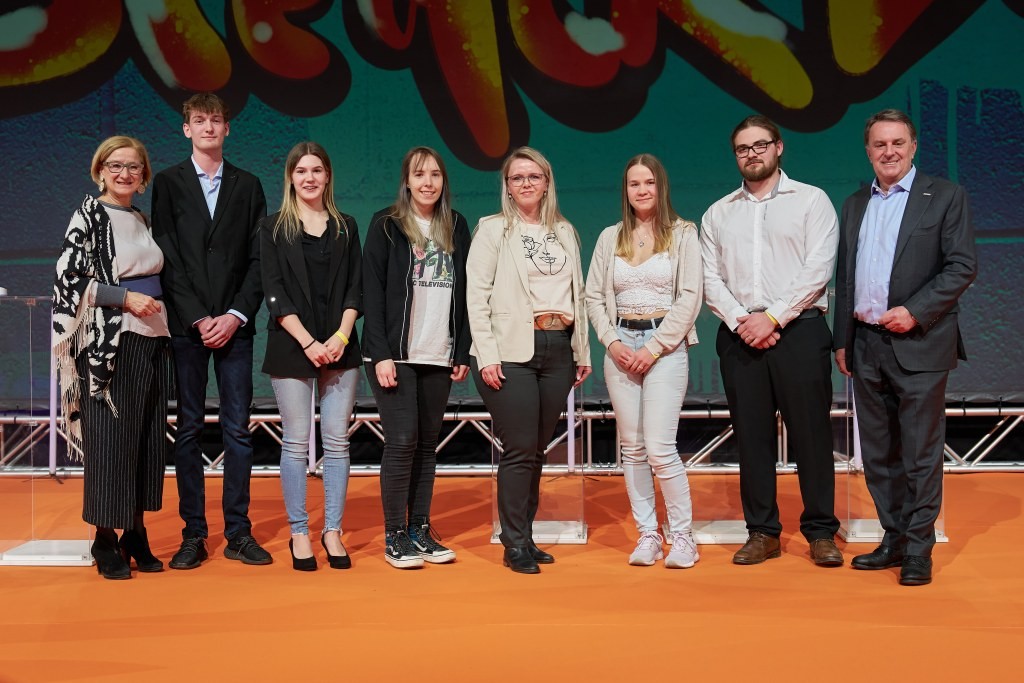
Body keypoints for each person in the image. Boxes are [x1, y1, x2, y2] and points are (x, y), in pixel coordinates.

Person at [834, 109, 977, 586]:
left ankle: (919, 548)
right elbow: (846, 277)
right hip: (866, 345)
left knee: (919, 452)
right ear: (868, 151)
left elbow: (961, 266)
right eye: (879, 144)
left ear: (913, 146)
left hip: (920, 341)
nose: (889, 151)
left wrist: (915, 311)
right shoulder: (855, 203)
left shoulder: (945, 196)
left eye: (898, 142)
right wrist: (843, 340)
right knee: (876, 455)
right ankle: (893, 538)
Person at [700, 115, 844, 567]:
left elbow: (818, 269)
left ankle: (821, 532)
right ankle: (762, 531)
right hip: (740, 335)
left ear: (779, 147)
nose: (752, 154)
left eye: (760, 145)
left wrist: (775, 317)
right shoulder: (718, 212)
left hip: (799, 331)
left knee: (812, 436)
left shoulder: (811, 201)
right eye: (743, 148)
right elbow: (709, 278)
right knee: (752, 438)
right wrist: (746, 320)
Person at [151, 93, 270, 569]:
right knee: (189, 431)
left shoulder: (249, 184)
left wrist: (236, 315)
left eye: (215, 120)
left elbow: (259, 258)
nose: (208, 127)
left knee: (238, 431)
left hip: (235, 327)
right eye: (199, 121)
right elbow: (167, 255)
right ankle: (194, 534)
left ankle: (239, 533)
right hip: (188, 327)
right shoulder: (168, 183)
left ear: (227, 129)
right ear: (186, 130)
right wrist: (200, 317)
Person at [467, 146, 592, 574]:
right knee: (520, 448)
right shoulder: (493, 230)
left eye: (533, 176)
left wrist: (581, 349)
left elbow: (580, 295)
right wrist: (486, 353)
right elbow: (476, 297)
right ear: (507, 186)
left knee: (536, 448)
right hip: (510, 351)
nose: (525, 183)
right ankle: (514, 542)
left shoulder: (565, 231)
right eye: (516, 177)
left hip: (559, 347)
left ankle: (526, 534)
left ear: (547, 182)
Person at [53, 136, 170, 579]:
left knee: (145, 440)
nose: (125, 173)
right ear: (100, 169)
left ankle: (135, 532)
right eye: (116, 165)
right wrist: (125, 299)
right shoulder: (89, 214)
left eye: (134, 167)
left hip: (153, 339)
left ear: (144, 176)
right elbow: (67, 278)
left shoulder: (140, 217)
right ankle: (104, 539)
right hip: (110, 343)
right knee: (110, 441)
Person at [585, 154, 702, 568]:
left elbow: (690, 297)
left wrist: (653, 348)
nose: (642, 190)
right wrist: (612, 342)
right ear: (626, 191)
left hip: (665, 348)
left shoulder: (684, 234)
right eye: (635, 184)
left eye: (649, 182)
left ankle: (684, 537)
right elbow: (594, 297)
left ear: (661, 186)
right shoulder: (609, 237)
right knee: (632, 449)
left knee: (659, 447)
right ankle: (648, 534)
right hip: (621, 346)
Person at [362, 147, 471, 569]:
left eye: (436, 175)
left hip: (438, 354)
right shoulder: (386, 225)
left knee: (427, 446)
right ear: (406, 181)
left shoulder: (456, 226)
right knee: (403, 441)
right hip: (395, 356)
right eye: (419, 174)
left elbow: (465, 292)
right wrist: (382, 354)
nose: (428, 182)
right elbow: (371, 290)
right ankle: (394, 534)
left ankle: (420, 529)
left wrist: (461, 349)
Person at [260, 142, 362, 571]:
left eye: (317, 170)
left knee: (337, 442)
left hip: (340, 344)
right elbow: (274, 292)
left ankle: (332, 530)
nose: (309, 178)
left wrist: (340, 335)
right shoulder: (272, 227)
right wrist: (308, 342)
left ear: (327, 176)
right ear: (290, 177)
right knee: (296, 442)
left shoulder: (346, 226)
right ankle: (300, 532)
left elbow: (357, 288)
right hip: (291, 344)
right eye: (301, 171)